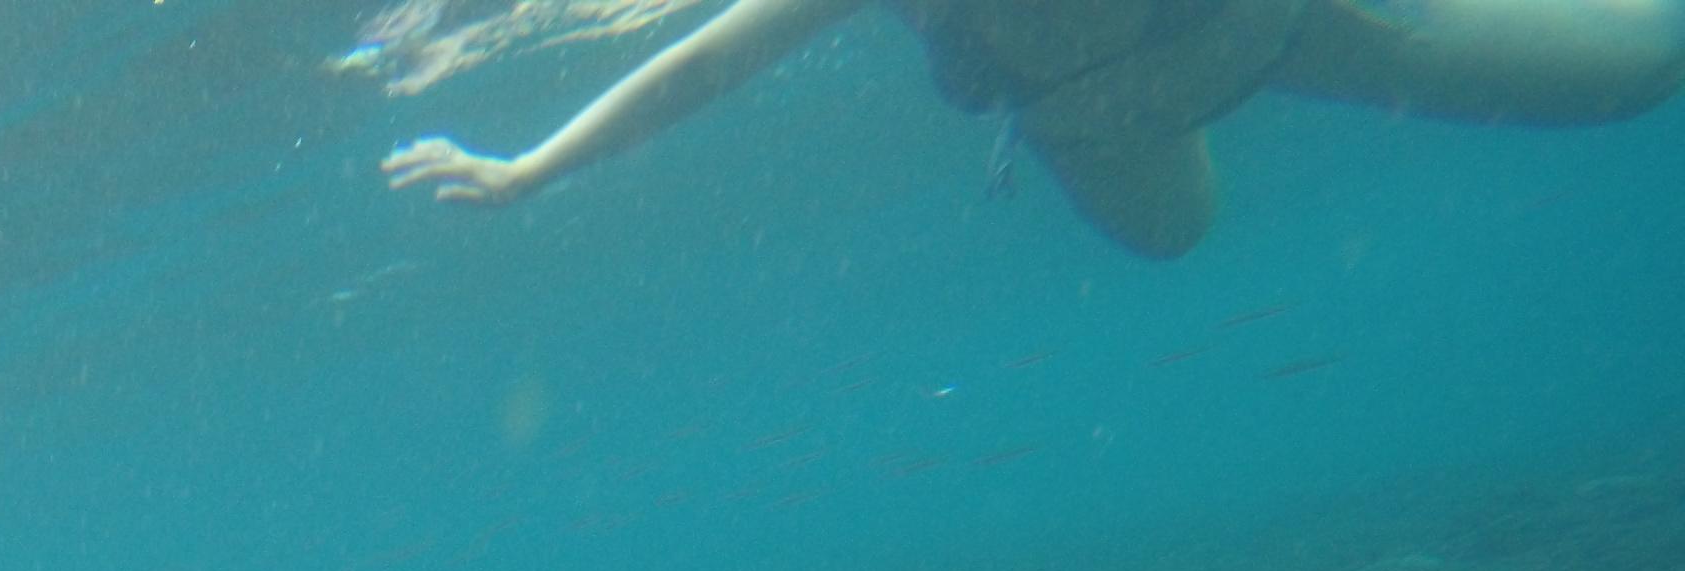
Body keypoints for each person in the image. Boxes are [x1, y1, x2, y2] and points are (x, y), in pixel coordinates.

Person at [381, 0, 1685, 255]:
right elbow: (706, 62)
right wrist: (533, 169)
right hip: (1109, 124)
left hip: (1293, 33)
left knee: (1636, 70)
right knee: (1176, 233)